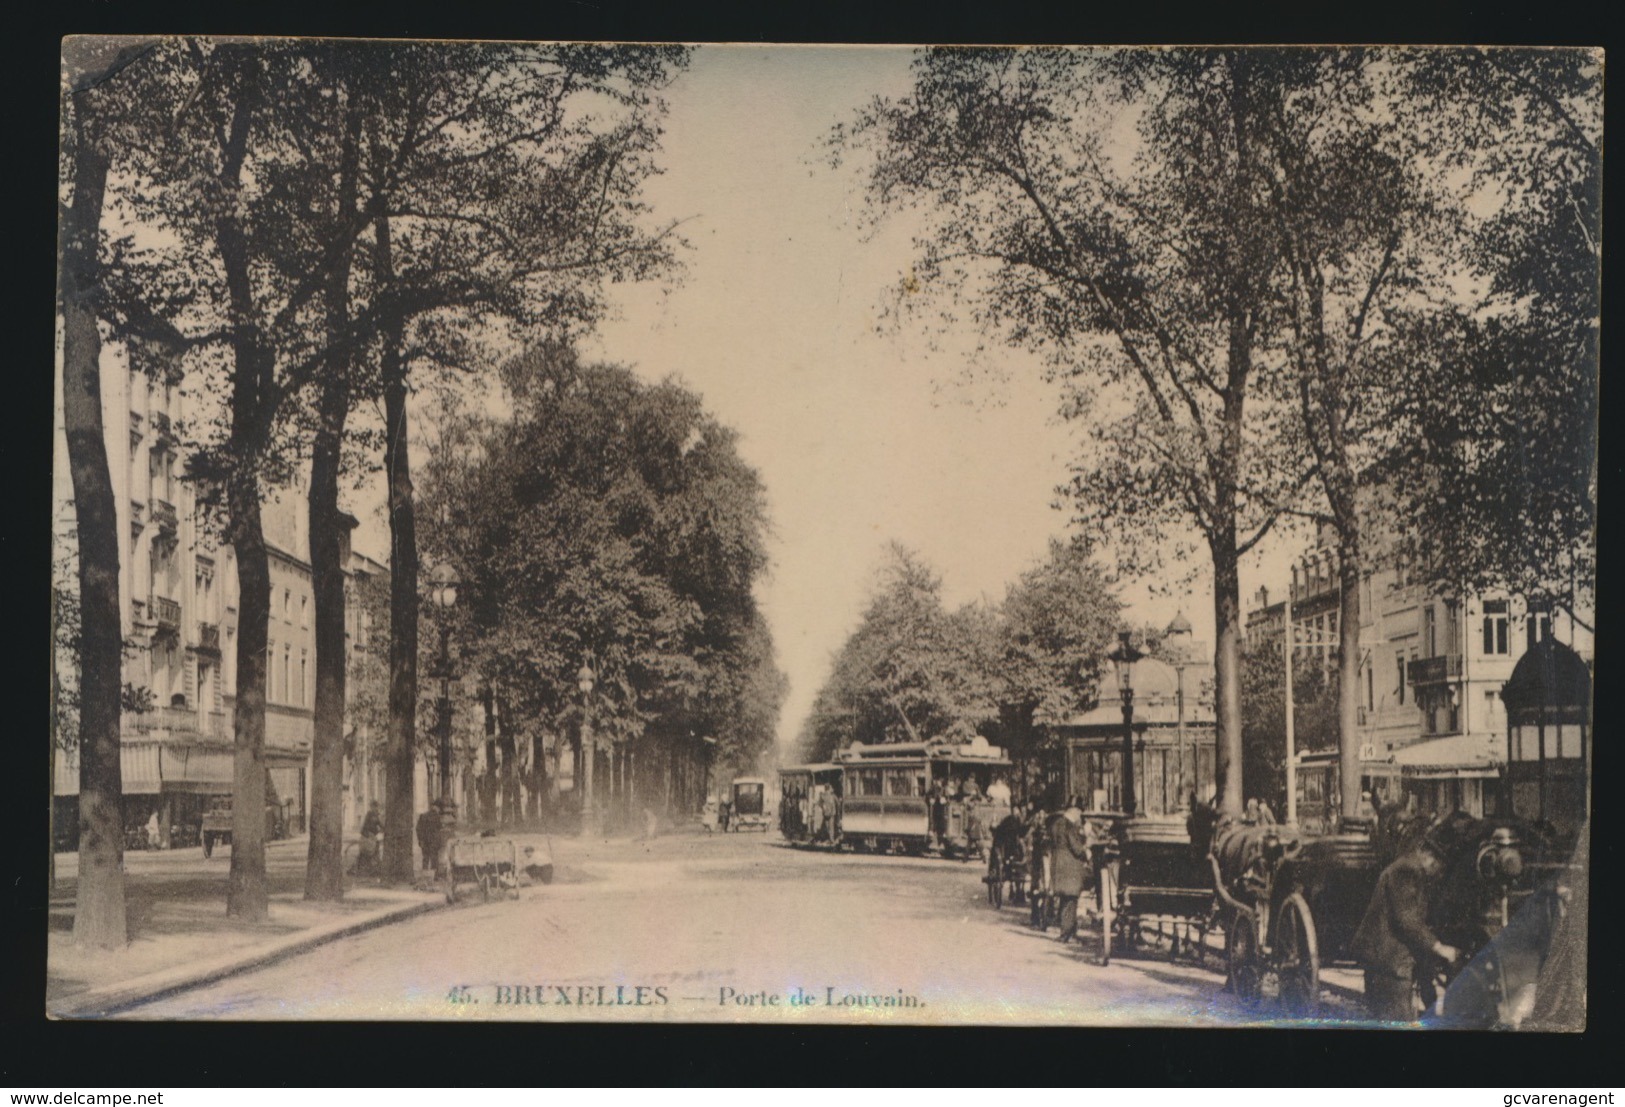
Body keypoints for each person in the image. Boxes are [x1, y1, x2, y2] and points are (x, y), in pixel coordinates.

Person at [1350, 831, 1461, 1022]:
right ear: (1425, 853)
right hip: (1388, 962)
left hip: (1390, 961)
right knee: (1397, 1020)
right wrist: (1440, 948)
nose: (1438, 872)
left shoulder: (1412, 871)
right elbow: (1407, 921)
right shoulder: (1407, 871)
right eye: (1437, 864)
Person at [1051, 805, 1093, 943]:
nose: (1079, 817)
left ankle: (1067, 932)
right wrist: (1086, 851)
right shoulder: (1069, 826)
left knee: (1065, 900)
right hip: (1070, 866)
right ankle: (1067, 934)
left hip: (1059, 864)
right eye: (1079, 814)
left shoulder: (1057, 823)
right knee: (1070, 900)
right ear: (1075, 812)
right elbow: (1076, 848)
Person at [358, 800, 383, 877]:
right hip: (367, 835)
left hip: (370, 835)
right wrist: (379, 829)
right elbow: (373, 825)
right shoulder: (370, 814)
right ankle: (367, 869)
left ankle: (370, 868)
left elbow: (380, 824)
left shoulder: (374, 815)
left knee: (371, 851)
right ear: (372, 807)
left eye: (376, 807)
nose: (376, 808)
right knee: (369, 851)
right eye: (375, 807)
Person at [416, 803, 442, 875]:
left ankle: (425, 875)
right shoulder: (436, 817)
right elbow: (439, 828)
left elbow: (418, 829)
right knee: (434, 859)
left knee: (425, 858)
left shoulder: (423, 816)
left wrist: (420, 840)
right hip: (433, 841)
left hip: (424, 841)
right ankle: (435, 876)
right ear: (436, 808)